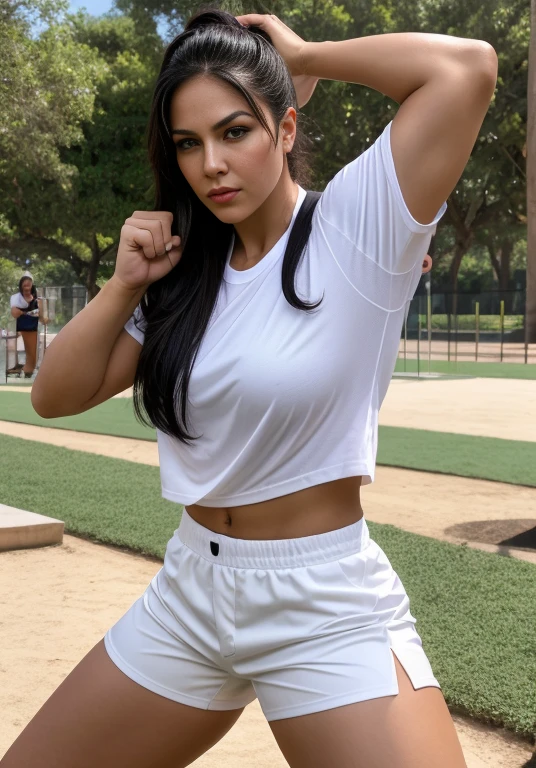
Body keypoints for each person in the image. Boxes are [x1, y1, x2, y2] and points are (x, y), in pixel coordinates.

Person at [3, 9, 497, 767]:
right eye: (189, 143)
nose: (211, 165)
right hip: (192, 590)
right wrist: (123, 285)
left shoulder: (357, 229)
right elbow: (54, 397)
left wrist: (306, 54)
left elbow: (465, 69)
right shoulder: (186, 272)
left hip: (321, 601)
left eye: (236, 131)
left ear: (287, 130)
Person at [8, 276, 44, 378]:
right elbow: (14, 312)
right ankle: (24, 369)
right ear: (21, 286)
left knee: (32, 352)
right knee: (28, 350)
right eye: (25, 284)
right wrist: (25, 313)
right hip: (23, 326)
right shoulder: (17, 298)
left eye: (29, 284)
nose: (27, 286)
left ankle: (27, 370)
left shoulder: (36, 298)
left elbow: (40, 313)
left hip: (33, 326)